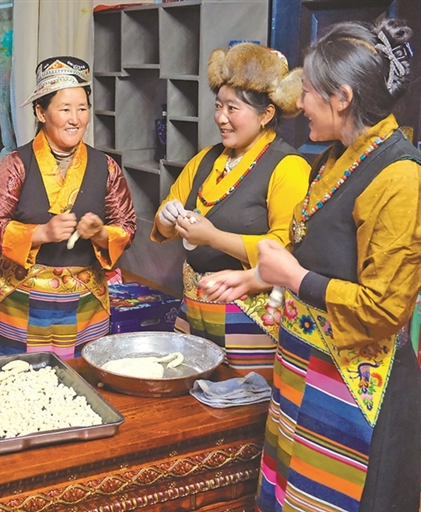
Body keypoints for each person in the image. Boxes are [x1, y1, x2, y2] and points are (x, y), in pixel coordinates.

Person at [200, 19, 421, 512]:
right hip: (307, 371)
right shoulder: (336, 158)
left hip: (355, 387)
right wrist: (256, 276)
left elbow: (384, 308)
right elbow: (316, 254)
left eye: (308, 92)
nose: (298, 104)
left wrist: (293, 278)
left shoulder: (400, 176)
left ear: (342, 97)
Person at [152, 43, 310, 380]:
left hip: (250, 320)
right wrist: (166, 219)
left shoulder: (287, 166)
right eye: (218, 106)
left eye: (232, 108)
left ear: (266, 114)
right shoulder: (207, 159)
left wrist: (213, 237)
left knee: (239, 400)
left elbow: (286, 249)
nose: (220, 118)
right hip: (194, 311)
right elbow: (168, 214)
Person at [0, 56, 136, 358]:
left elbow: (127, 226)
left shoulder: (106, 166)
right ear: (41, 112)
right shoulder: (14, 164)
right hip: (21, 298)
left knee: (81, 381)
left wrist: (100, 233)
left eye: (82, 108)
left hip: (85, 300)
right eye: (65, 109)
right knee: (18, 377)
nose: (75, 119)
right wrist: (41, 233)